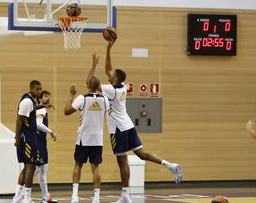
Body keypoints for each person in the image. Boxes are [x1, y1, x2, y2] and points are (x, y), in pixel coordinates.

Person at [100, 40, 182, 203]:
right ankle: (170, 165)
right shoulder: (122, 87)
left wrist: (94, 66)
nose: (110, 74)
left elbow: (93, 83)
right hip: (129, 125)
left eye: (112, 75)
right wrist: (108, 48)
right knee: (141, 154)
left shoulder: (112, 90)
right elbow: (108, 68)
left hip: (118, 129)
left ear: (115, 78)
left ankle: (125, 196)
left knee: (122, 161)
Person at [64, 53, 109, 203]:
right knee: (95, 167)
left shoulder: (82, 98)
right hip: (98, 139)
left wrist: (71, 95)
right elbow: (91, 82)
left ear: (88, 85)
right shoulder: (105, 100)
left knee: (78, 165)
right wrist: (94, 65)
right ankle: (96, 198)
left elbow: (66, 111)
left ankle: (75, 196)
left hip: (83, 138)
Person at [13, 80, 46, 203]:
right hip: (27, 139)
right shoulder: (27, 101)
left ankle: (17, 197)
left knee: (27, 167)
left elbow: (32, 109)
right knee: (30, 167)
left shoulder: (30, 100)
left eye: (40, 89)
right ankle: (27, 198)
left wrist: (43, 106)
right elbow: (19, 120)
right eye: (37, 89)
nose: (39, 92)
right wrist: (17, 139)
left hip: (30, 137)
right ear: (31, 88)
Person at [34, 90, 57, 203]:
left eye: (49, 96)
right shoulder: (41, 109)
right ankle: (21, 192)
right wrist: (51, 131)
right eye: (45, 96)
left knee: (42, 170)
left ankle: (46, 196)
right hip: (38, 143)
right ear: (39, 99)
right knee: (36, 169)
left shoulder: (42, 109)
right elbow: (38, 124)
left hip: (42, 143)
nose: (48, 98)